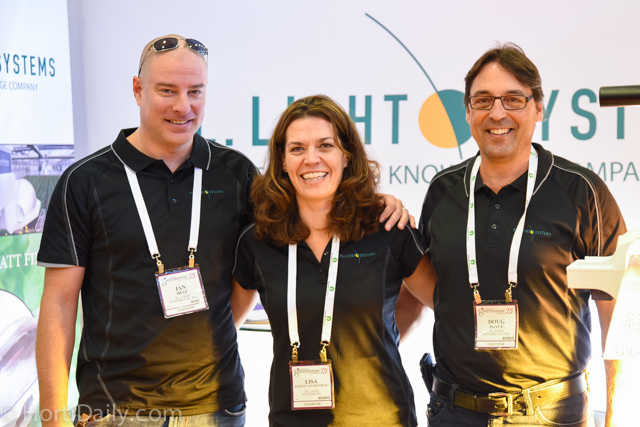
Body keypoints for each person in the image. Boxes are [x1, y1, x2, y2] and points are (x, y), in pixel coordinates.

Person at [35, 36, 410, 427]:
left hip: (218, 407)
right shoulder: (86, 181)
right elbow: (59, 302)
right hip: (115, 409)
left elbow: (304, 217)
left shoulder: (236, 173)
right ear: (138, 89)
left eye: (195, 91)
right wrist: (53, 417)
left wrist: (374, 204)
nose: (183, 106)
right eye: (167, 90)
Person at [413, 43, 627, 426]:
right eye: (483, 100)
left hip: (550, 413)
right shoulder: (443, 190)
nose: (497, 113)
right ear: (468, 112)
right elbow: (429, 281)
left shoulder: (581, 191)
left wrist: (614, 414)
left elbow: (619, 312)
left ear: (538, 108)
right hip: (453, 410)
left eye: (513, 99)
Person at [231, 95, 435, 427]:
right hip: (292, 420)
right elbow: (224, 327)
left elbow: (448, 307)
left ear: (346, 155)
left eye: (325, 146)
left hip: (382, 418)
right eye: (297, 149)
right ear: (282, 161)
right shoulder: (257, 241)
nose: (311, 159)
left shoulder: (387, 228)